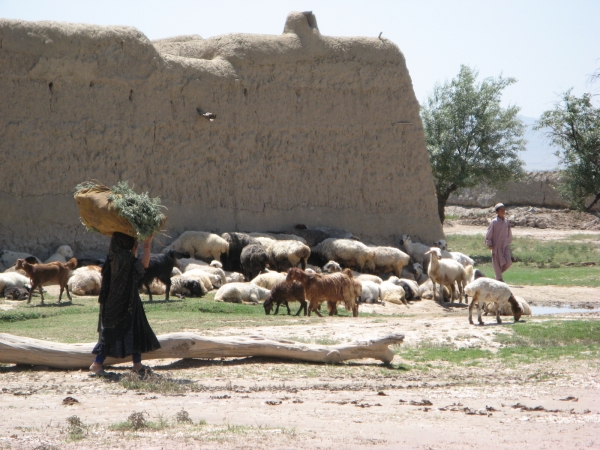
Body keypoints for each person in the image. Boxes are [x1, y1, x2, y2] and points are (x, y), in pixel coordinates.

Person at [89, 232, 161, 377]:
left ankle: (137, 364)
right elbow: (143, 265)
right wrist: (147, 245)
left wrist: (133, 252)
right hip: (126, 302)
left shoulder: (112, 257)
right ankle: (96, 364)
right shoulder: (126, 259)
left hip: (112, 302)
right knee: (124, 331)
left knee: (120, 331)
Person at [485, 203, 512, 282]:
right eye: (501, 210)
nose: (503, 211)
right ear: (497, 212)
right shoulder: (494, 222)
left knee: (508, 262)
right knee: (496, 263)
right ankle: (499, 279)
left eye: (504, 210)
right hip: (496, 246)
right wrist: (489, 243)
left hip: (505, 245)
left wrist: (509, 241)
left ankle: (497, 275)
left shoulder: (506, 221)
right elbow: (489, 233)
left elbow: (509, 232)